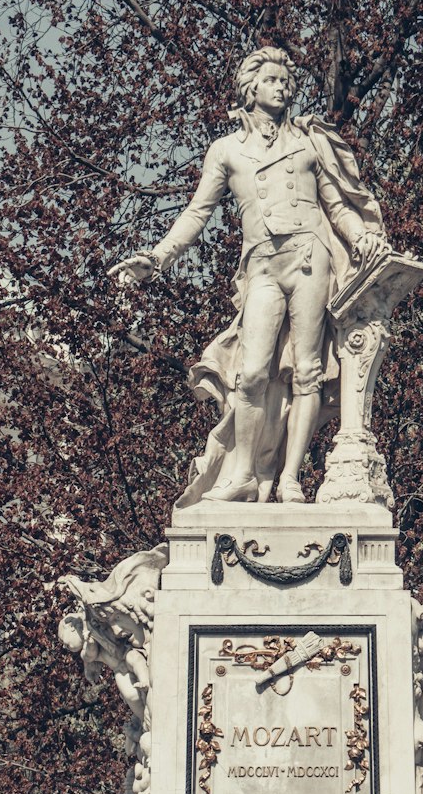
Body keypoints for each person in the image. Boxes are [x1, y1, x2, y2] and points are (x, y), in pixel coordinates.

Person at [114, 47, 389, 504]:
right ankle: (241, 473)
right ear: (251, 87)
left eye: (286, 82)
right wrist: (158, 257)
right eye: (273, 80)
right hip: (261, 265)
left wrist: (361, 236)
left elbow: (337, 206)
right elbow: (197, 212)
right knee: (253, 372)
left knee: (308, 372)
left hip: (308, 257)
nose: (282, 87)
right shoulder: (226, 150)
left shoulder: (308, 142)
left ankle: (291, 478)